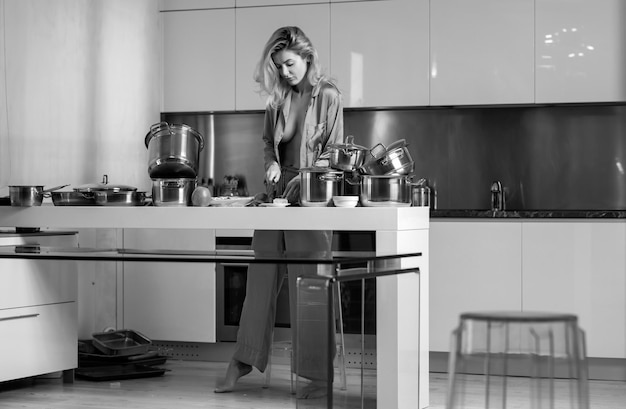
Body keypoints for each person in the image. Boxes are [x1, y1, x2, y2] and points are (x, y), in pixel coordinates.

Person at [214, 26, 344, 398]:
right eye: (278, 66)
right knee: (260, 281)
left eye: (289, 64)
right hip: (276, 200)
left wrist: (305, 179)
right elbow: (268, 145)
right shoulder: (276, 100)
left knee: (311, 286)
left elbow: (332, 153)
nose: (285, 72)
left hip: (312, 201)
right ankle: (242, 360)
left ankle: (319, 376)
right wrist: (271, 165)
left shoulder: (328, 97)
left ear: (307, 57)